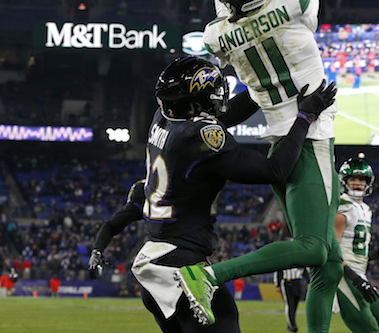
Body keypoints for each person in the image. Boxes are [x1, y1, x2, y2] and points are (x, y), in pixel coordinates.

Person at [179, 0, 343, 332]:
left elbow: (227, 5)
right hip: (309, 138)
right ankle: (209, 275)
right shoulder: (296, 1)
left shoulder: (216, 36)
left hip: (279, 143)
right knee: (313, 247)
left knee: (331, 261)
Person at [116, 56, 334, 332]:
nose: (220, 99)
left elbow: (223, 115)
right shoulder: (201, 137)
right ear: (196, 103)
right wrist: (304, 117)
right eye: (213, 94)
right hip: (181, 266)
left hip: (153, 260)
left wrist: (261, 94)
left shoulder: (163, 118)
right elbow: (276, 170)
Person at [334, 157, 379, 333]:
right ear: (344, 181)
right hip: (342, 277)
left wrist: (378, 254)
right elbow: (331, 251)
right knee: (368, 328)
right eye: (353, 179)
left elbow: (354, 250)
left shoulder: (365, 209)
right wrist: (354, 278)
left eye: (362, 179)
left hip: (359, 275)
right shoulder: (342, 207)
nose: (358, 183)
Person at [275, 266, 310, 332]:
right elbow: (279, 270)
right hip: (287, 281)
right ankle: (292, 326)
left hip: (297, 281)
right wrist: (278, 284)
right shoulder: (284, 259)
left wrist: (308, 281)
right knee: (289, 304)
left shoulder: (300, 259)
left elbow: (304, 269)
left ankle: (290, 324)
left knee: (295, 305)